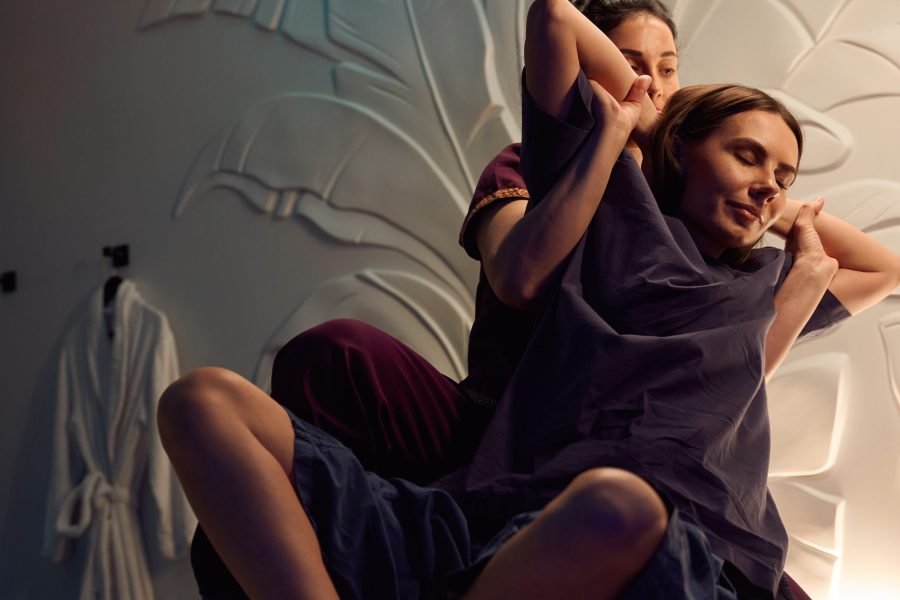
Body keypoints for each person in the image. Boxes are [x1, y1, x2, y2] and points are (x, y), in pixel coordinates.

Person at [160, 2, 900, 599]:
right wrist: (637, 122)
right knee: (248, 385)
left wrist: (774, 200)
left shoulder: (762, 274)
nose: (653, 83)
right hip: (517, 450)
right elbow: (521, 269)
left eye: (669, 71)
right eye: (634, 65)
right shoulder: (605, 193)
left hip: (673, 513)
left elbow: (883, 266)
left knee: (633, 513)